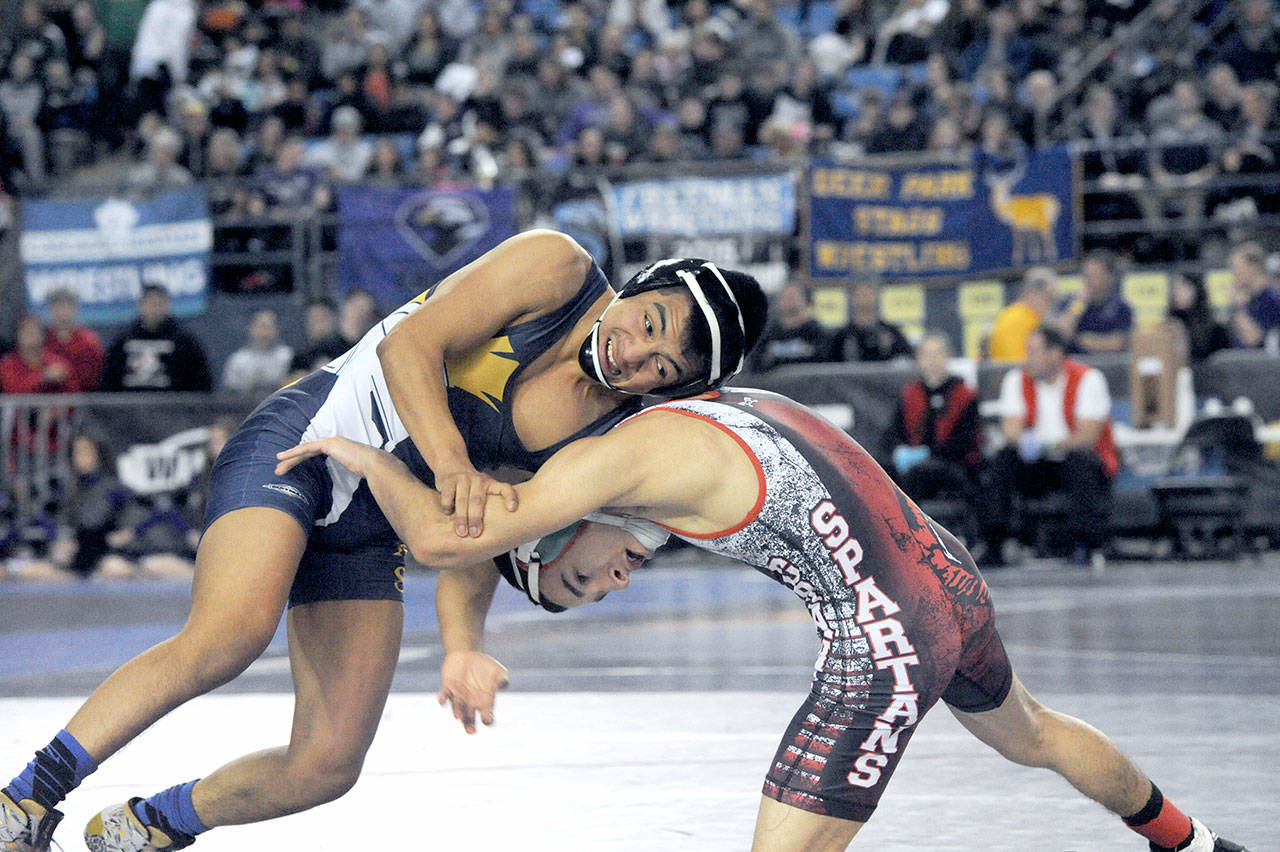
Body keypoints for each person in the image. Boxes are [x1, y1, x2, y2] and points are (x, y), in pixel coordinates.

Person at [0, 231, 767, 851]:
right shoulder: (556, 268)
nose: (636, 356)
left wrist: (464, 642)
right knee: (230, 634)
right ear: (646, 283)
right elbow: (410, 348)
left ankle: (148, 825)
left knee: (327, 763)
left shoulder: (611, 430)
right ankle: (28, 796)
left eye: (663, 368)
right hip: (303, 448)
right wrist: (453, 463)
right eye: (652, 324)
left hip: (371, 529)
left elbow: (487, 534)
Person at [273, 388, 1250, 852]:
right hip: (944, 575)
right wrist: (466, 640)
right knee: (1029, 733)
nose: (606, 587)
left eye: (576, 584)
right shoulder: (685, 416)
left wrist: (371, 463)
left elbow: (464, 538)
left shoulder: (615, 475)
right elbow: (507, 539)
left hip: (882, 635)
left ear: (559, 534)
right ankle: (1196, 843)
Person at [985, 325, 1117, 568]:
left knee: (1080, 462)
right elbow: (1011, 430)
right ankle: (995, 541)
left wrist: (1049, 443)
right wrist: (1025, 441)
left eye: (1034, 352)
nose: (1028, 359)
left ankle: (1085, 543)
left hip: (1074, 460)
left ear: (1055, 354)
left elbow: (1087, 435)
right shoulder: (1016, 379)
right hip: (1037, 466)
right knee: (1003, 459)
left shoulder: (1088, 379)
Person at [884, 332, 981, 538]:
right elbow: (892, 434)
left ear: (948, 357)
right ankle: (884, 537)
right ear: (919, 359)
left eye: (938, 354)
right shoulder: (910, 394)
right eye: (927, 355)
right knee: (882, 470)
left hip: (954, 468)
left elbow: (963, 444)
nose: (932, 361)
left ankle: (912, 537)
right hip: (914, 466)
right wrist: (898, 451)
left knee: (918, 473)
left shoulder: (965, 395)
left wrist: (926, 454)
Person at [100, 284, 212, 392]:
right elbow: (108, 380)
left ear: (168, 305)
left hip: (173, 408)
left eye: (159, 304)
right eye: (150, 304)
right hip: (130, 408)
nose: (155, 309)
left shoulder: (184, 342)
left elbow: (201, 382)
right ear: (141, 305)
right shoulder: (123, 340)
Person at [1056, 250, 1133, 354]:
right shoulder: (1072, 302)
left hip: (1109, 365)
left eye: (1095, 275)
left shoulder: (1120, 307)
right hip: (1075, 364)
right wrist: (1078, 306)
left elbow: (1116, 344)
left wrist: (1077, 338)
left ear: (1109, 277)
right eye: (1086, 275)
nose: (1089, 281)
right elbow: (1060, 335)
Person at [750, 282, 835, 372]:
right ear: (777, 302)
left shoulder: (819, 333)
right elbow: (757, 364)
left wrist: (776, 361)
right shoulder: (768, 334)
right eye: (784, 297)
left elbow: (823, 360)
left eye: (793, 297)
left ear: (806, 301)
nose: (789, 301)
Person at [987, 266, 1059, 363]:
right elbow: (1014, 362)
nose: (1051, 303)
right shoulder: (1013, 318)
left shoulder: (1035, 318)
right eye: (1049, 297)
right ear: (1031, 294)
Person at [832, 279, 913, 363]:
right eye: (860, 294)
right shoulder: (842, 336)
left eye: (869, 293)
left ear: (877, 296)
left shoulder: (891, 333)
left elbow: (907, 360)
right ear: (852, 298)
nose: (864, 298)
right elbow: (828, 365)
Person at [219, 309, 293, 395]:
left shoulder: (287, 357)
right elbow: (229, 391)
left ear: (276, 329)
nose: (265, 333)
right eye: (261, 326)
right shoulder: (238, 360)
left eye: (269, 327)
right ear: (250, 328)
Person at [42, 289, 104, 392]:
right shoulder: (41, 340)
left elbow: (95, 377)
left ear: (75, 309)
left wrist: (67, 374)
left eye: (66, 306)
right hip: (49, 400)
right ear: (50, 310)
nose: (62, 312)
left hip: (84, 400)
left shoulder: (89, 341)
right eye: (57, 307)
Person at [1227, 241, 1280, 350]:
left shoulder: (1271, 299)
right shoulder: (1250, 299)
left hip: (1264, 363)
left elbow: (1253, 338)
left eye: (1236, 268)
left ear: (1253, 267)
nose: (1233, 274)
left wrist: (1237, 308)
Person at [1168, 271, 1230, 362]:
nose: (1177, 292)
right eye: (1176, 287)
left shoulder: (1214, 329)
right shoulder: (1171, 322)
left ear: (1196, 289)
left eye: (1183, 287)